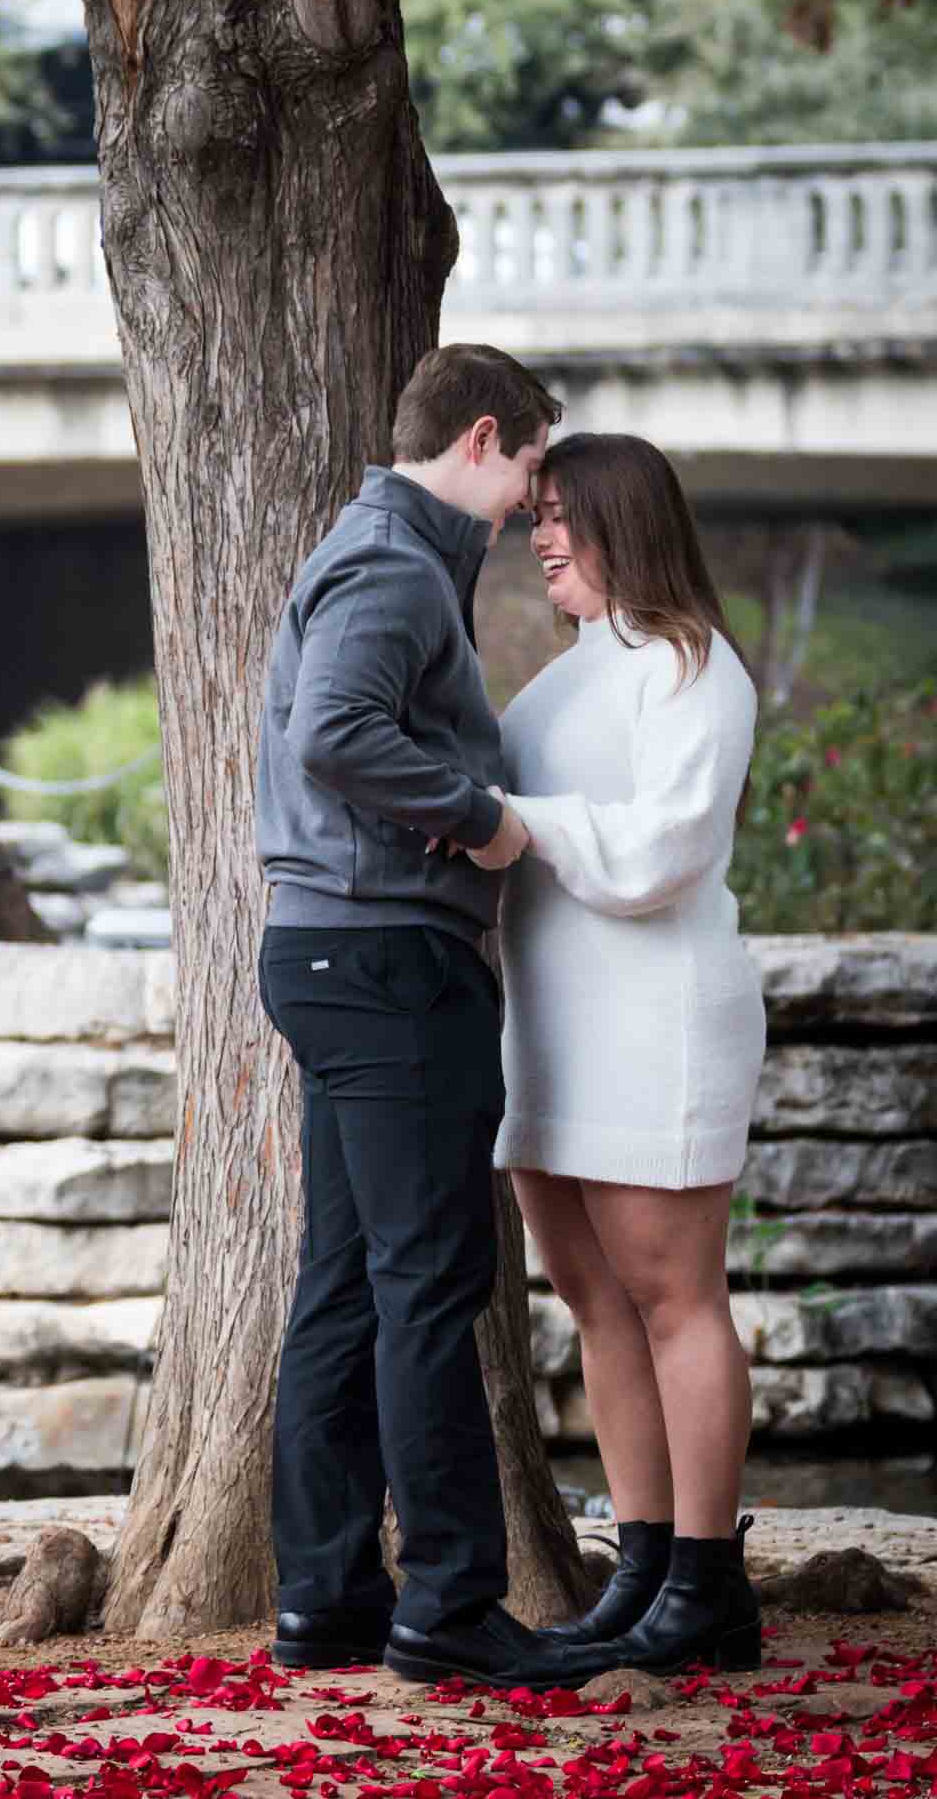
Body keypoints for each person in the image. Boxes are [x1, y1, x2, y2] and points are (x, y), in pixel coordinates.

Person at [255, 343, 566, 1688]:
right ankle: (448, 1605)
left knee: (345, 1285)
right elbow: (336, 731)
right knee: (429, 1289)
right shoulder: (390, 564)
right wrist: (482, 819)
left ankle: (327, 1600)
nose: (533, 504)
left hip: (334, 958)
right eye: (536, 470)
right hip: (383, 963)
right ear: (486, 438)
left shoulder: (380, 551)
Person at [485, 430, 766, 1684]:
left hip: (656, 1021)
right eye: (534, 515)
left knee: (672, 1298)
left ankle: (710, 1583)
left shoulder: (693, 669)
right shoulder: (560, 679)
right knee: (595, 1300)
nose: (539, 535)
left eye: (560, 517)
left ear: (623, 521)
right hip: (551, 1031)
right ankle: (641, 1564)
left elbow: (658, 856)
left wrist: (514, 822)